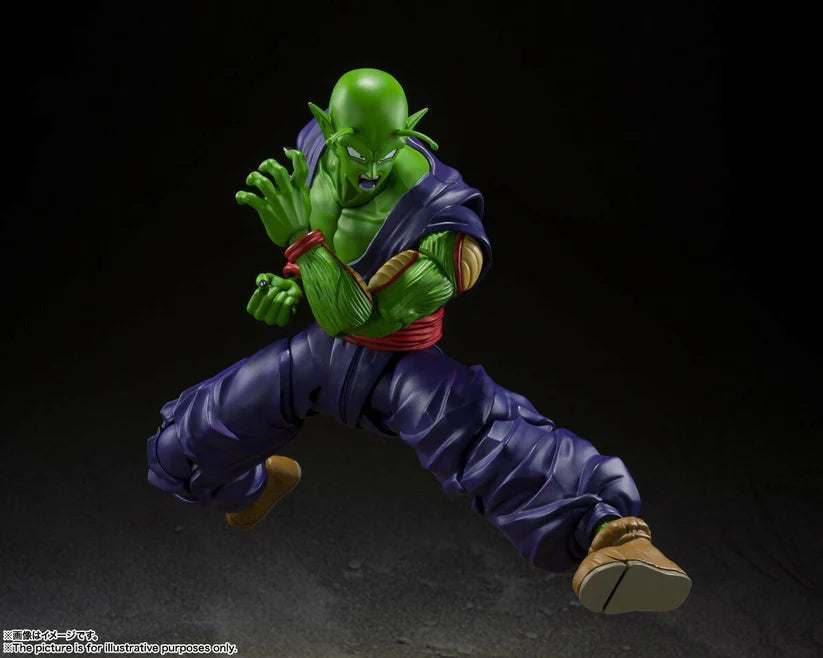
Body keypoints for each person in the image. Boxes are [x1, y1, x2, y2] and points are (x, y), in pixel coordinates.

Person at [147, 68, 691, 614]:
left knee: (488, 436)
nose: (369, 172)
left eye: (386, 154)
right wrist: (290, 281)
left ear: (411, 133)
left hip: (400, 364)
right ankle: (252, 487)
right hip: (320, 357)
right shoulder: (313, 151)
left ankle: (614, 535)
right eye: (353, 153)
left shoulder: (446, 225)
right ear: (327, 128)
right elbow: (327, 284)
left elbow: (355, 318)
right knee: (182, 448)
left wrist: (300, 243)